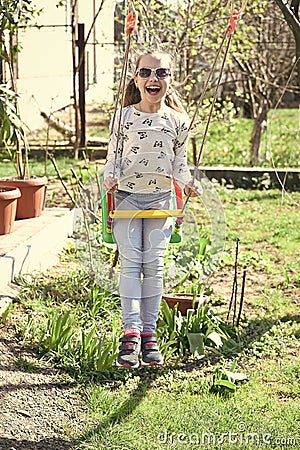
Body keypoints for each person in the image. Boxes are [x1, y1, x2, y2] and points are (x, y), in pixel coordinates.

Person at [103, 50, 200, 368]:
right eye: (145, 72)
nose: (153, 79)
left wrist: (189, 183)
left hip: (161, 201)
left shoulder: (178, 121)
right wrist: (110, 177)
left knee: (154, 266)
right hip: (128, 199)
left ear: (171, 80)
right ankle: (130, 335)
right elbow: (112, 160)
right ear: (135, 79)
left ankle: (149, 337)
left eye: (161, 73)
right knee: (132, 265)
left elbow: (180, 166)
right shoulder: (123, 116)